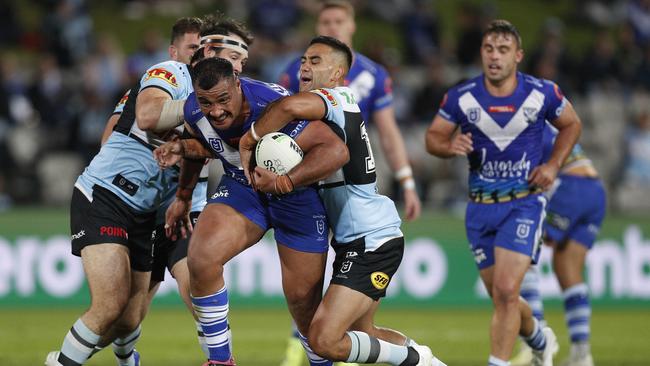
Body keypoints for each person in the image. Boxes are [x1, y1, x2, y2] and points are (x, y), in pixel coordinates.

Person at [238, 35, 446, 366]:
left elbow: (290, 106)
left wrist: (249, 141)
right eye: (304, 59)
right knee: (364, 334)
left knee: (323, 339)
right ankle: (424, 359)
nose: (304, 65)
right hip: (355, 241)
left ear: (337, 74)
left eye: (316, 61)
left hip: (372, 240)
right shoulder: (326, 113)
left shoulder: (338, 97)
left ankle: (415, 361)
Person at [156, 57, 347, 366]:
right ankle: (221, 361)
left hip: (297, 196)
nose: (215, 111)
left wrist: (286, 182)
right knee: (201, 258)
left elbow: (335, 150)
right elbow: (205, 145)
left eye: (222, 100)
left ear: (237, 84)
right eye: (206, 102)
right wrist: (183, 192)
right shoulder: (194, 110)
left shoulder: (274, 107)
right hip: (244, 188)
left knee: (303, 304)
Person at [425, 20, 582, 366]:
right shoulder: (461, 98)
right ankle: (540, 339)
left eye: (503, 50)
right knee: (502, 298)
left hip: (524, 204)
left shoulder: (542, 93)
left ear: (518, 56)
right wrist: (448, 144)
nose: (495, 57)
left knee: (509, 290)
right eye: (489, 49)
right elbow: (432, 138)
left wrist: (553, 165)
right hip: (480, 209)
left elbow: (572, 123)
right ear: (481, 53)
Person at [279, 0, 421, 221]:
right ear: (318, 27)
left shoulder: (373, 74)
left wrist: (407, 182)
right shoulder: (297, 71)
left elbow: (388, 132)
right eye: (326, 22)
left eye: (339, 21)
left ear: (352, 25)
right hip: (311, 165)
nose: (332, 27)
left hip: (358, 169)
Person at [512, 123, 605, 366]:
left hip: (569, 188)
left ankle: (537, 342)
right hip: (594, 189)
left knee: (521, 256)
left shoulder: (518, 126)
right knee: (568, 270)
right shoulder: (543, 123)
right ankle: (581, 353)